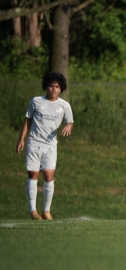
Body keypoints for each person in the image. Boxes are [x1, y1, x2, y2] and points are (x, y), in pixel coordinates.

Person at [16, 72, 74, 220]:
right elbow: (27, 121)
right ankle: (33, 211)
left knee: (49, 176)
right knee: (33, 174)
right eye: (51, 86)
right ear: (45, 86)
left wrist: (68, 126)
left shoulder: (64, 105)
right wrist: (21, 140)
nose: (53, 89)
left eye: (57, 87)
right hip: (34, 143)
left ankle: (46, 211)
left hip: (50, 146)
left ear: (61, 89)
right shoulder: (36, 101)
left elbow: (70, 121)